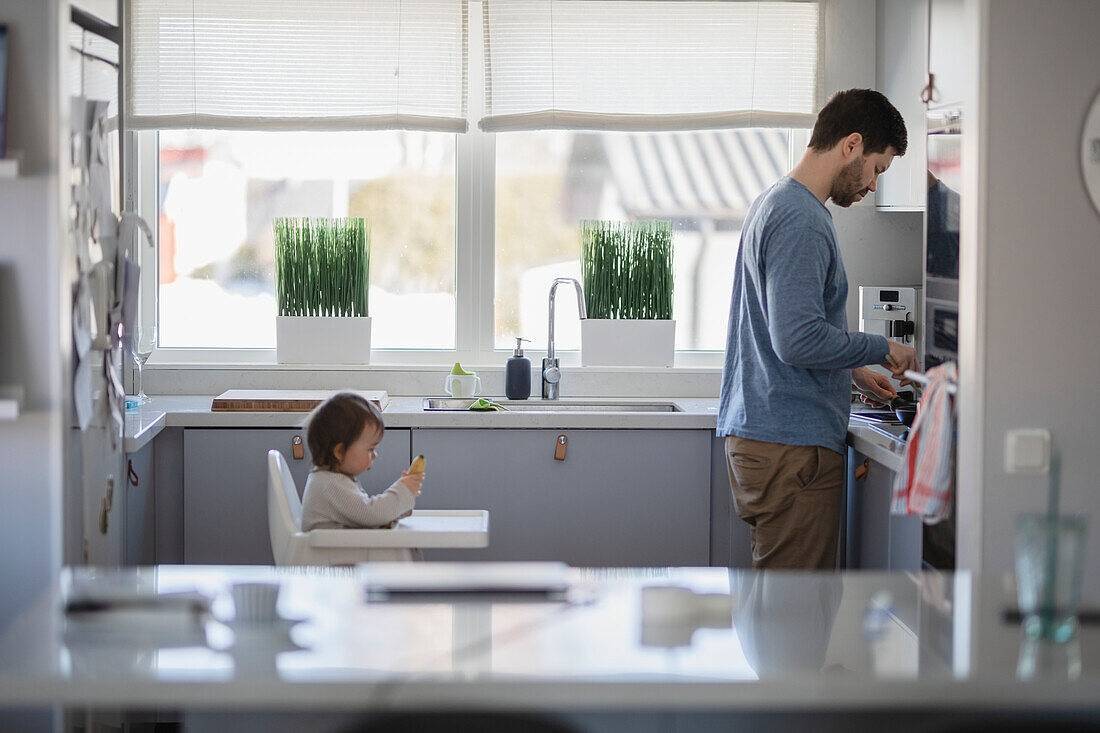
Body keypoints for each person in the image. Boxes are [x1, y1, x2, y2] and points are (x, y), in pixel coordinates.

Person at [718, 88, 921, 570]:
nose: (873, 185)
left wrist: (853, 368)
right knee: (794, 624)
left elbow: (782, 327)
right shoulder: (802, 220)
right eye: (878, 168)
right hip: (791, 449)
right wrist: (882, 346)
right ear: (851, 145)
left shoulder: (776, 202)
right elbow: (796, 339)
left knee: (774, 614)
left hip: (771, 437)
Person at [301, 392, 424, 532]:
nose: (375, 455)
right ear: (340, 452)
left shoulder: (333, 480)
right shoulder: (330, 485)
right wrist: (402, 491)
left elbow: (366, 519)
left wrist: (400, 505)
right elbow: (371, 515)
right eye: (370, 449)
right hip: (333, 553)